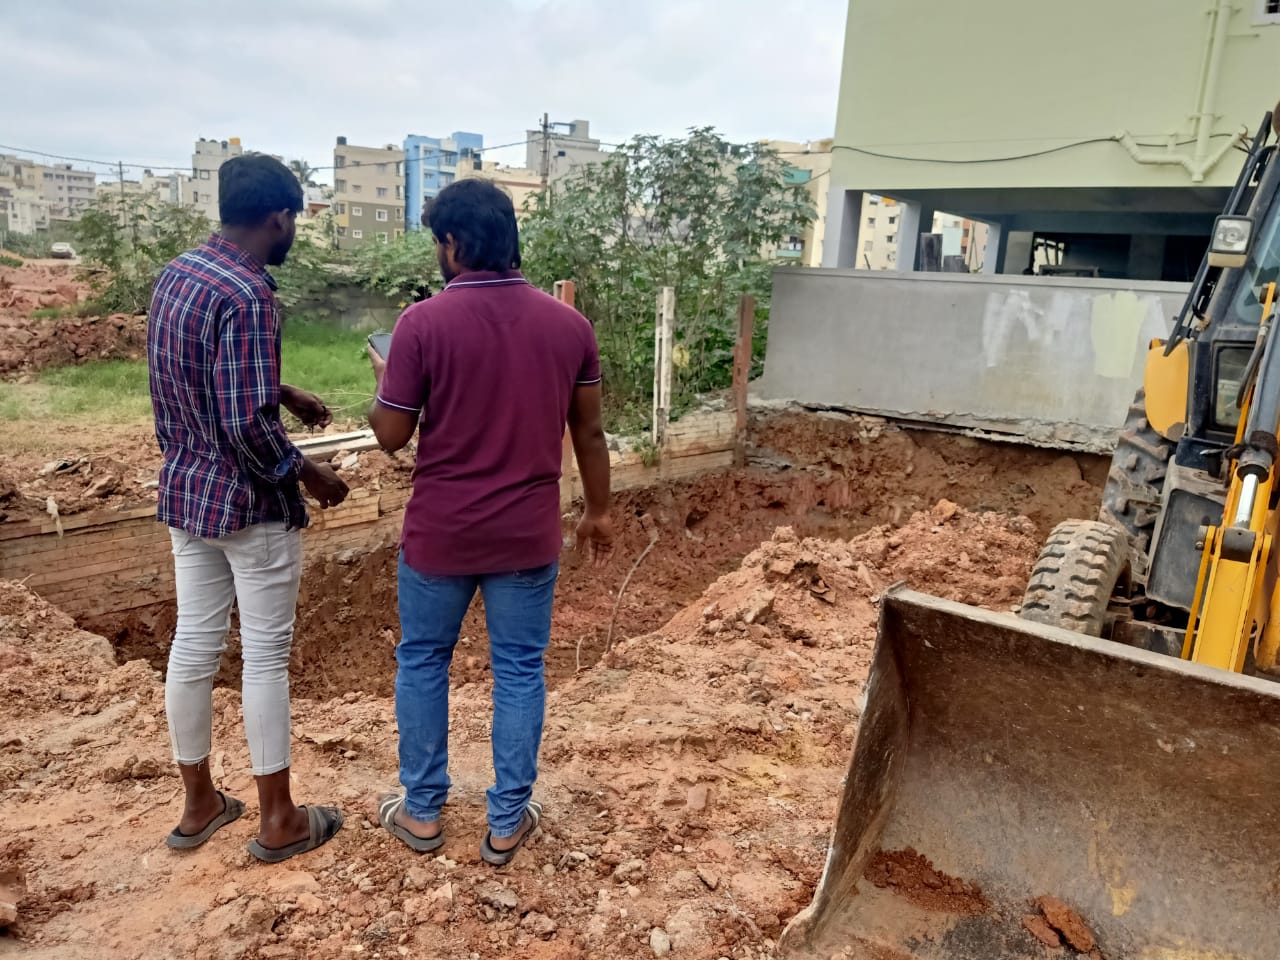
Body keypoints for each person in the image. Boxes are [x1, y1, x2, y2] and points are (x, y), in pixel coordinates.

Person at [368, 178, 614, 864]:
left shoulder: (421, 325)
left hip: (441, 534)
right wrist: (598, 512)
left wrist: (384, 380)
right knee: (518, 669)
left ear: (453, 243)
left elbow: (390, 435)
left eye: (437, 243)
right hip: (526, 537)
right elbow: (589, 435)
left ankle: (421, 813)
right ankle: (506, 822)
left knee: (422, 661)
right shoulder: (570, 327)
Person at [148, 154, 350, 862]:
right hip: (248, 503)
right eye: (295, 218)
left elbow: (198, 371)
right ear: (279, 217)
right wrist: (309, 475)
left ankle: (200, 804)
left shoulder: (182, 274)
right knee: (265, 659)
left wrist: (283, 389)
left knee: (193, 647)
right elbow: (245, 425)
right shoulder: (251, 295)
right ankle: (278, 820)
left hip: (187, 491)